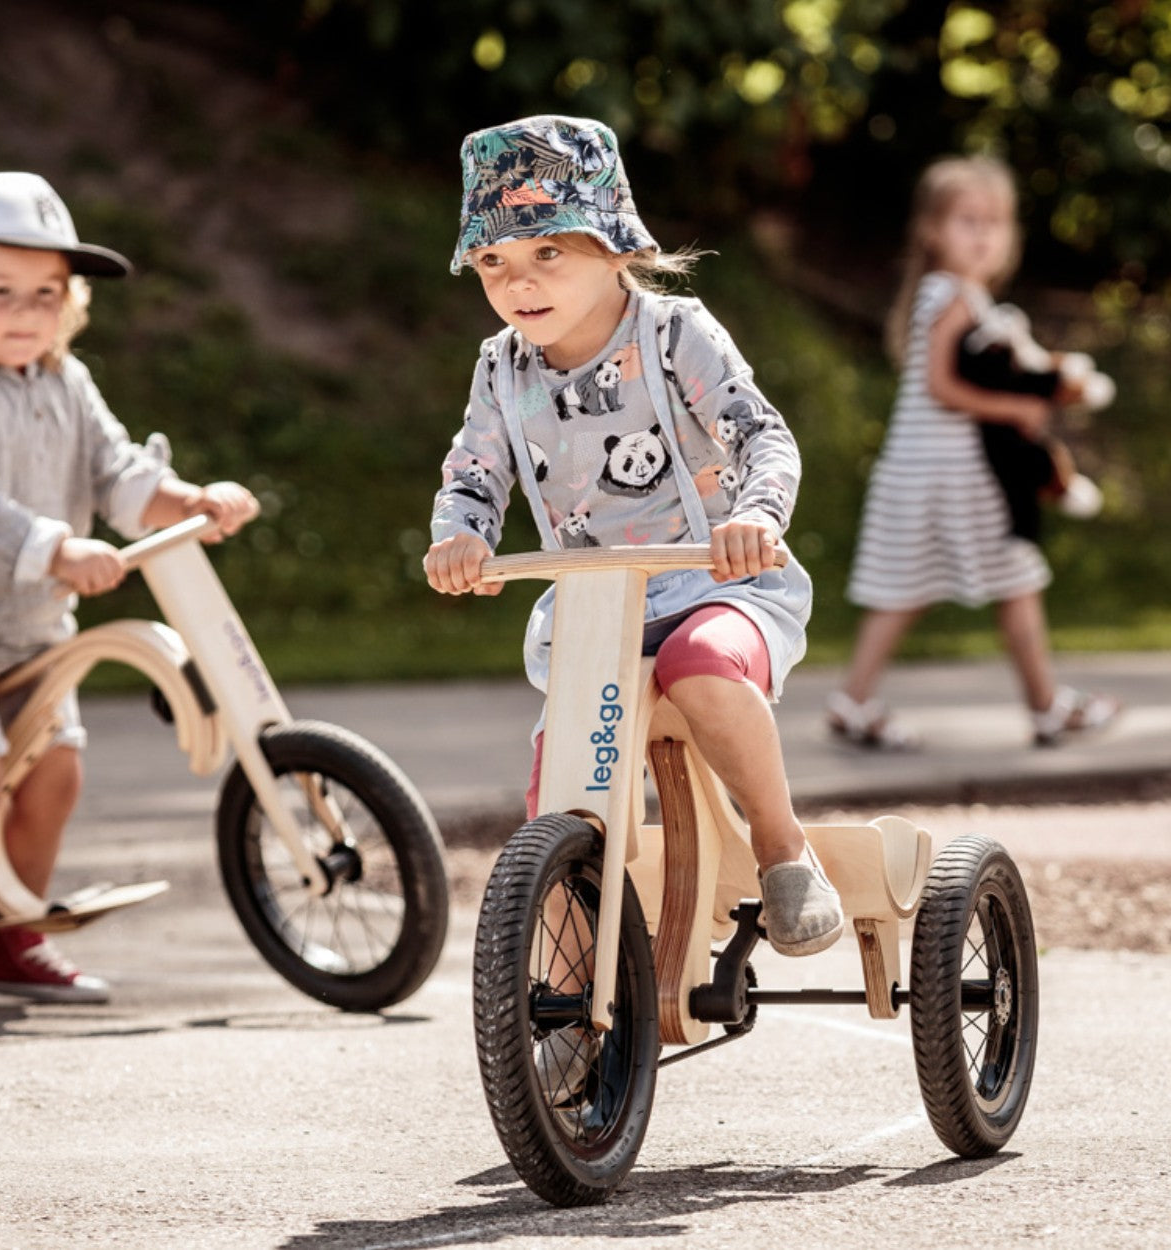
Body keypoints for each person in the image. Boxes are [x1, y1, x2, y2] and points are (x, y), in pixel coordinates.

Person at [423, 114, 843, 971]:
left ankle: (781, 845)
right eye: (494, 263)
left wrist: (756, 517)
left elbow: (761, 434)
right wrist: (460, 537)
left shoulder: (672, 334)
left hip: (720, 584)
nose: (519, 284)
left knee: (701, 662)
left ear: (614, 248)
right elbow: (473, 471)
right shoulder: (502, 368)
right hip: (596, 610)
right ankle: (568, 984)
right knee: (560, 775)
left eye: (549, 254)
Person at [0, 171, 258, 1003]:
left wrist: (186, 498)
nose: (26, 312)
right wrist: (55, 548)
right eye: (0, 290)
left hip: (34, 628)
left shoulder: (65, 382)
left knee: (56, 776)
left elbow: (116, 473)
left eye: (46, 293)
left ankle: (12, 943)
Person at [828, 155, 1119, 749]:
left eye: (996, 221)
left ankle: (854, 702)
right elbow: (942, 387)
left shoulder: (966, 298)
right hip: (950, 474)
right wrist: (1014, 408)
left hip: (933, 472)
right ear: (932, 231)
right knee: (1010, 578)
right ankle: (1045, 708)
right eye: (968, 220)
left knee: (914, 588)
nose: (984, 234)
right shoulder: (951, 296)